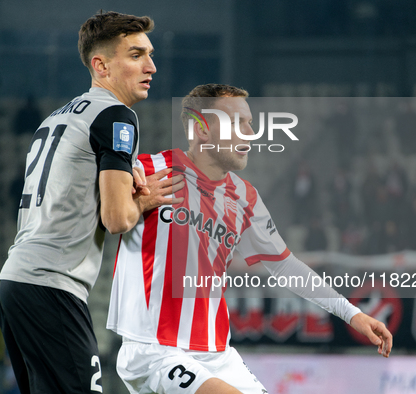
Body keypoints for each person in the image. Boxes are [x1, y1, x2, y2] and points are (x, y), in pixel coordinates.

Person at [107, 84, 393, 394]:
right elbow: (106, 216)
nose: (248, 133)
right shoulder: (149, 170)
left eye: (250, 123)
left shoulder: (245, 198)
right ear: (201, 130)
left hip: (217, 353)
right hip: (156, 349)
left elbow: (285, 267)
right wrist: (134, 200)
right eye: (236, 123)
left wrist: (352, 314)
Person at [0, 11, 183, 394]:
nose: (152, 65)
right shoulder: (117, 116)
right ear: (101, 65)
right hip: (52, 285)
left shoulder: (55, 118)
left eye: (149, 54)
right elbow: (115, 219)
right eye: (135, 55)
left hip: (14, 282)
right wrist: (143, 204)